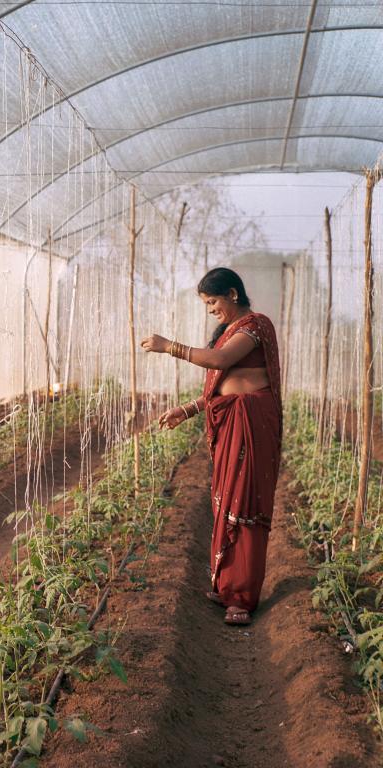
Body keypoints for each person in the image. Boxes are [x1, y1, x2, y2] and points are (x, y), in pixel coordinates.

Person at [140, 267, 281, 626]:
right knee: (226, 501)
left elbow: (218, 362)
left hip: (251, 423)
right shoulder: (229, 331)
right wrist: (186, 410)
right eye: (206, 303)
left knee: (245, 502)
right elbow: (218, 386)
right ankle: (227, 583)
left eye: (213, 301)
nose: (210, 309)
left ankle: (242, 598)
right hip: (233, 419)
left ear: (233, 294)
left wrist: (169, 346)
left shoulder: (255, 325)